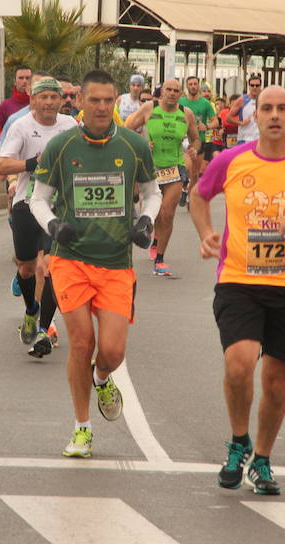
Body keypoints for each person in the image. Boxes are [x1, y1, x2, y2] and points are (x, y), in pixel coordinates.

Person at [189, 84, 285, 496]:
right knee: (239, 364)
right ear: (255, 117)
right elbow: (198, 196)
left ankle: (262, 458)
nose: (275, 115)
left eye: (283, 108)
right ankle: (238, 441)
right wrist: (206, 233)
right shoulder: (231, 160)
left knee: (276, 383)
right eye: (267, 109)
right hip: (239, 280)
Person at [28, 70, 162, 458]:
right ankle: (82, 428)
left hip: (117, 262)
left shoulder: (135, 145)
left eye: (108, 100)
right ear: (81, 103)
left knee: (113, 351)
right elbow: (38, 198)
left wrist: (145, 220)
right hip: (72, 260)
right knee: (82, 341)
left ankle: (103, 378)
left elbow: (152, 193)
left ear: (116, 101)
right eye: (95, 100)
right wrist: (53, 225)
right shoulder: (62, 146)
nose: (102, 107)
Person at [0, 77, 76, 358]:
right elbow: (1, 164)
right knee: (28, 269)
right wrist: (32, 164)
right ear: (34, 101)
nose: (50, 102)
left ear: (61, 100)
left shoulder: (71, 126)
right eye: (44, 97)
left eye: (55, 97)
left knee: (50, 266)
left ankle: (45, 328)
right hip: (27, 204)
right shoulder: (22, 126)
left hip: (58, 206)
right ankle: (31, 310)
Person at [125, 78, 201, 277]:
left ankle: (159, 259)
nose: (172, 93)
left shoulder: (186, 113)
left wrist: (193, 150)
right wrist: (142, 143)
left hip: (175, 167)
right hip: (150, 168)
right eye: (169, 89)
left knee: (167, 213)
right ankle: (154, 235)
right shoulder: (150, 108)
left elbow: (196, 139)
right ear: (161, 92)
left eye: (177, 90)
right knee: (154, 212)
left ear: (180, 94)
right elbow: (127, 130)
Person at [179, 76, 218, 207]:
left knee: (194, 174)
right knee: (187, 167)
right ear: (187, 86)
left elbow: (215, 121)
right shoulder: (181, 102)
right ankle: (184, 187)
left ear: (198, 86)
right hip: (183, 141)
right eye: (190, 84)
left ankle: (190, 198)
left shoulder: (205, 103)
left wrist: (206, 126)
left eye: (195, 84)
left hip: (199, 141)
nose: (193, 86)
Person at [0, 66, 32, 141]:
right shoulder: (5, 105)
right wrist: (8, 140)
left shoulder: (40, 104)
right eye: (21, 78)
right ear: (14, 81)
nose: (24, 81)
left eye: (28, 78)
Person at [226, 75, 262, 147]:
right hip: (245, 139)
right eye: (252, 85)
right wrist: (241, 123)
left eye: (257, 85)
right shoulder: (242, 100)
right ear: (249, 86)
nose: (254, 87)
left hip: (260, 139)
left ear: (260, 86)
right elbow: (228, 118)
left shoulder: (264, 99)